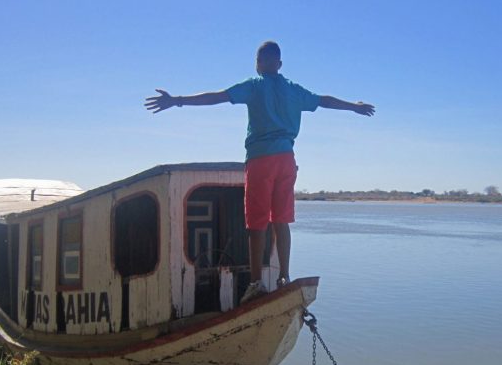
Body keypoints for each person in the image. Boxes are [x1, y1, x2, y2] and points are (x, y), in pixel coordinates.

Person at [145, 41, 374, 302]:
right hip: (287, 159)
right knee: (281, 220)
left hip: (260, 159)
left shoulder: (254, 86)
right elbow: (324, 101)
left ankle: (255, 283)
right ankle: (284, 276)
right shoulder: (293, 90)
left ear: (258, 63)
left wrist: (177, 101)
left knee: (257, 224)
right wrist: (354, 106)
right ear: (279, 64)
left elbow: (217, 97)